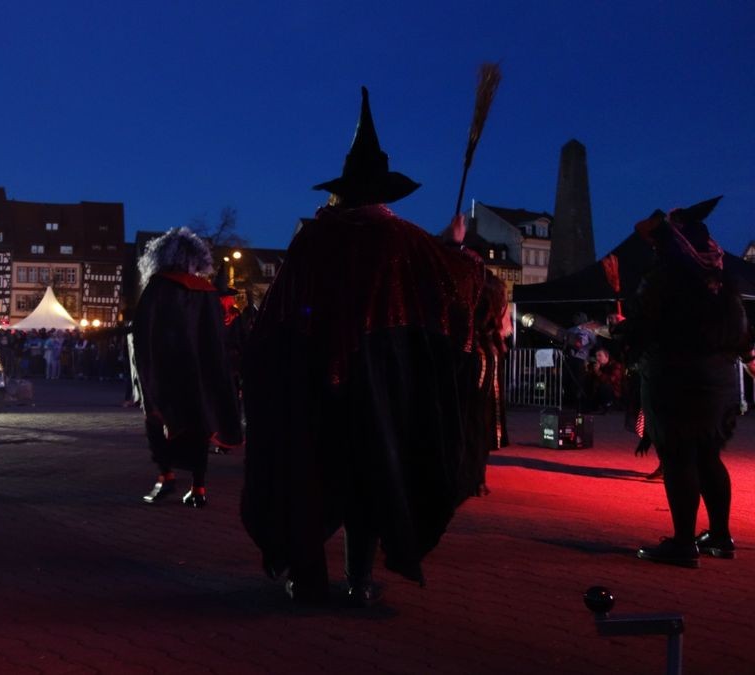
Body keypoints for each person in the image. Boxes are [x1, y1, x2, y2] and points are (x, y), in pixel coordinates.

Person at [240, 87, 486, 605]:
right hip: (382, 378)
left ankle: (306, 578)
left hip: (313, 378)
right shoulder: (405, 239)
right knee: (373, 470)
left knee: (313, 471)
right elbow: (461, 284)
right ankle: (358, 580)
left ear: (343, 190)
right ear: (384, 192)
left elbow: (277, 316)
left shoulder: (315, 237)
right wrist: (458, 246)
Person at [625, 198, 752, 567]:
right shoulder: (721, 280)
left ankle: (683, 543)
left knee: (679, 457)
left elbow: (641, 323)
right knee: (708, 455)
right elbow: (741, 333)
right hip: (719, 380)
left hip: (677, 379)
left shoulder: (666, 278)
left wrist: (627, 334)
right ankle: (720, 535)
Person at [132, 227, 243, 508]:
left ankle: (165, 475)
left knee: (157, 420)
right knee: (198, 426)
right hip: (198, 372)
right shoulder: (205, 291)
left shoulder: (157, 287)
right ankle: (199, 487)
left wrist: (144, 372)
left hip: (165, 370)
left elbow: (143, 331)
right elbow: (216, 335)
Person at [460, 273, 511, 498]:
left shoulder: (483, 288)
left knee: (479, 422)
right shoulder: (483, 287)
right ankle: (475, 477)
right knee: (478, 422)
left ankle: (475, 477)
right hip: (482, 356)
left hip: (482, 357)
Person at [584, 346, 624, 413]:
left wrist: (598, 372)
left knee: (604, 387)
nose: (597, 358)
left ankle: (609, 407)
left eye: (600, 355)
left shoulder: (615, 365)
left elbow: (610, 381)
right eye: (596, 356)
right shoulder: (599, 366)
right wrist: (587, 370)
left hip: (614, 394)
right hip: (599, 393)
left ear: (606, 356)